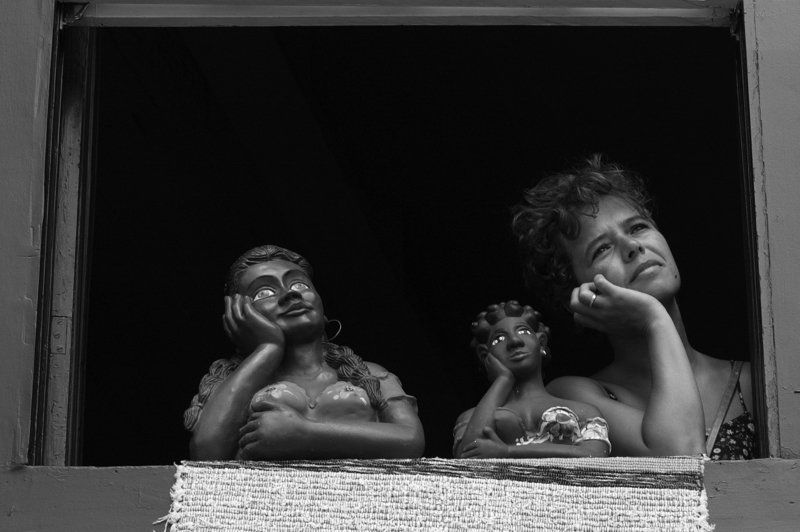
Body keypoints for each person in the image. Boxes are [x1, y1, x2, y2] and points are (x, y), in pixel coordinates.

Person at [510, 155, 756, 459]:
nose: (632, 246)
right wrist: (655, 319)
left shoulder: (752, 382)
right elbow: (681, 459)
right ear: (575, 292)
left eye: (638, 227)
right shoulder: (576, 397)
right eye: (602, 248)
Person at [183, 245, 424, 460]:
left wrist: (303, 433)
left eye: (300, 284)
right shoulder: (233, 383)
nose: (291, 294)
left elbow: (411, 440)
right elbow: (206, 454)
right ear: (240, 315)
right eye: (264, 293)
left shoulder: (367, 373)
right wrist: (267, 349)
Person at [453, 301, 610, 459]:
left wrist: (509, 451)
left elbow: (595, 454)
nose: (515, 341)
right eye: (499, 339)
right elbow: (466, 457)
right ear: (485, 354)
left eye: (524, 332)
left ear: (541, 342)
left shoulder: (585, 411)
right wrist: (503, 380)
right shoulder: (472, 418)